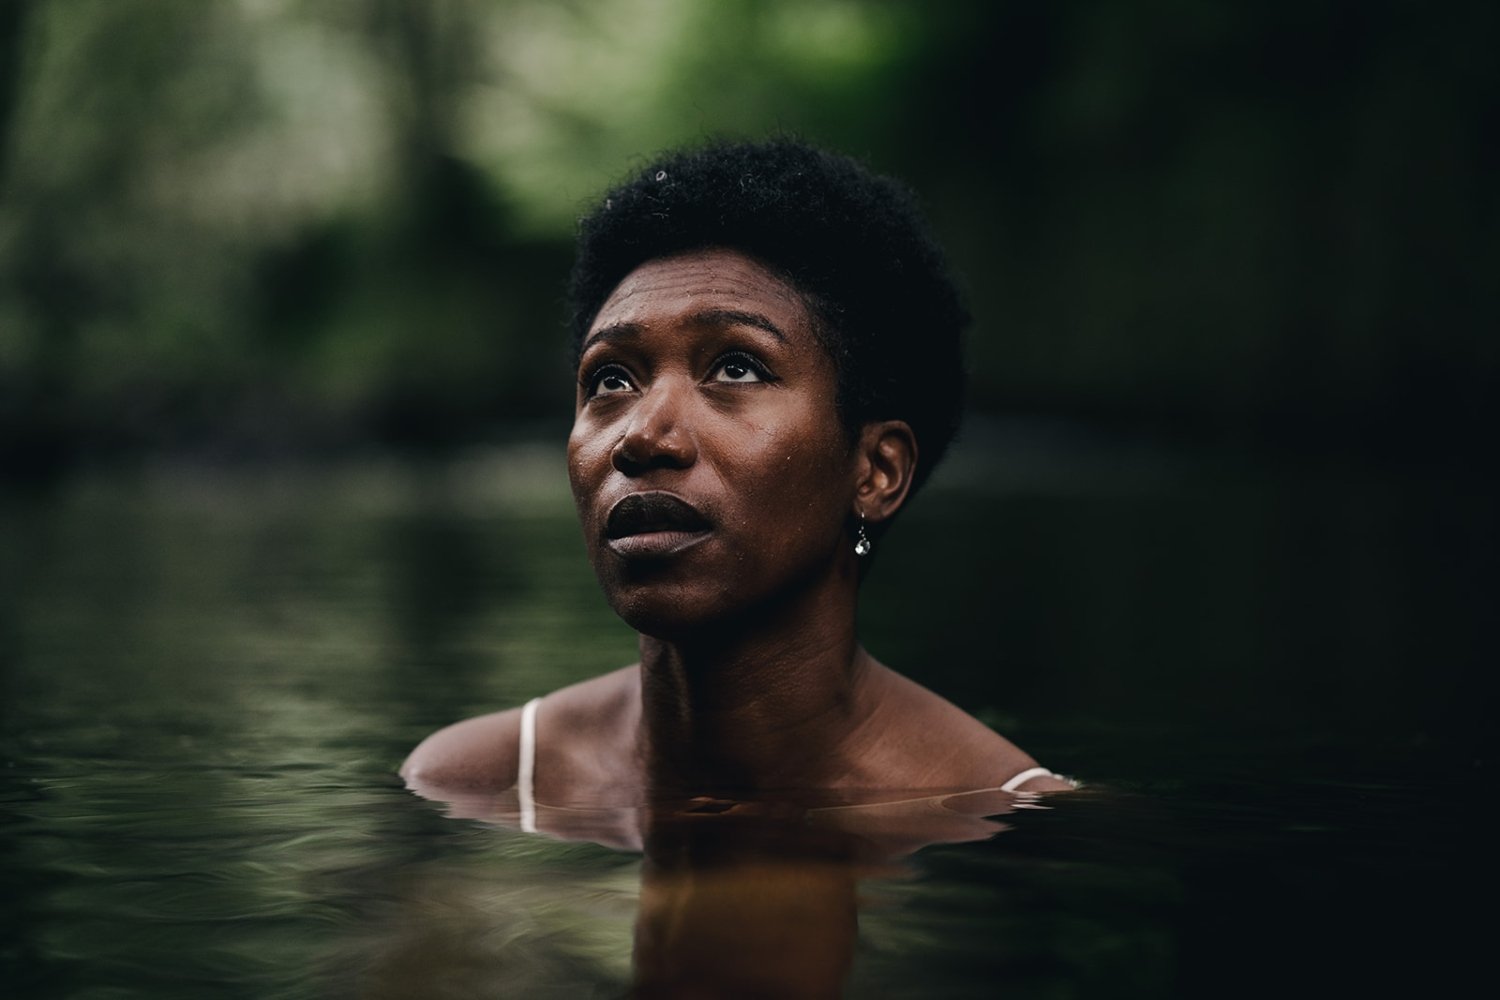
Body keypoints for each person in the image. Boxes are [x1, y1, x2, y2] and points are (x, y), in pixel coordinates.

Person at [401, 139, 1074, 841]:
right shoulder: (473, 784)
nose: (642, 436)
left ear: (875, 472)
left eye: (736, 368)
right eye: (611, 379)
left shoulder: (1012, 822)